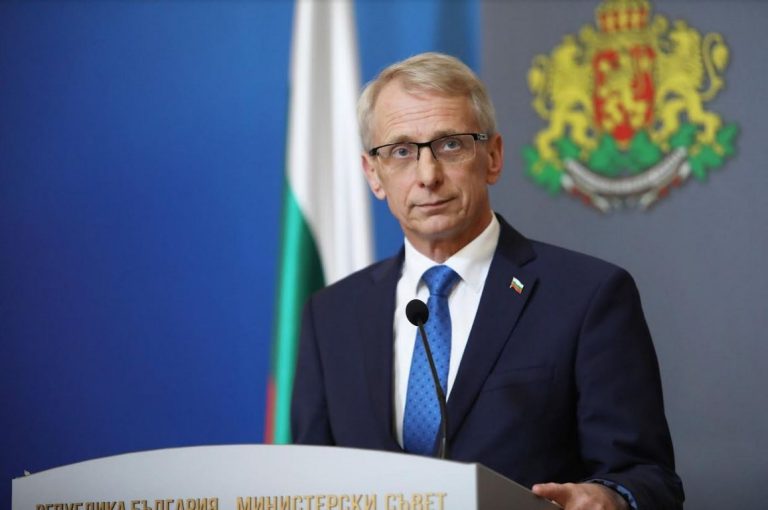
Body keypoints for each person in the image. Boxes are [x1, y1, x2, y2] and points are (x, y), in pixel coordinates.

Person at [291, 52, 684, 510]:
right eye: (401, 151)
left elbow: (649, 478)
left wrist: (609, 498)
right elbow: (307, 482)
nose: (428, 175)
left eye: (450, 145)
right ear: (373, 175)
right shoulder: (331, 315)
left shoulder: (587, 297)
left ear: (493, 157)